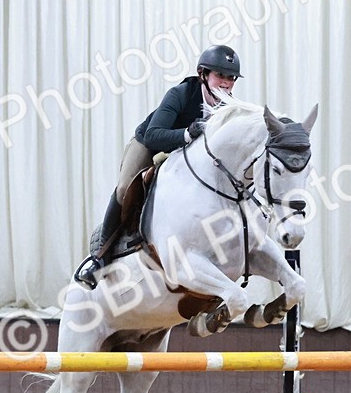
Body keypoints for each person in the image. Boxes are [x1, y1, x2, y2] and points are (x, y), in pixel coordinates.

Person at [74, 45, 242, 288]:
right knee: (124, 188)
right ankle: (99, 257)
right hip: (149, 144)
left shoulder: (229, 107)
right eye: (220, 75)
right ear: (202, 74)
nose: (226, 83)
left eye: (231, 78)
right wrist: (186, 133)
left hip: (184, 155)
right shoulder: (180, 94)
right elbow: (153, 135)